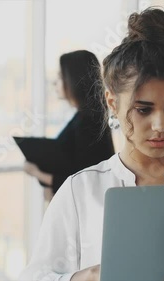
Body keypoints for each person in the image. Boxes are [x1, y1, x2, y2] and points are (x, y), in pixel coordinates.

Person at [19, 7, 164, 281]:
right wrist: (86, 277)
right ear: (112, 103)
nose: (161, 125)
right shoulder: (80, 191)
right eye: (144, 109)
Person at [23, 50, 115, 200]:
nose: (55, 82)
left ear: (73, 79)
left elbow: (85, 180)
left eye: (60, 76)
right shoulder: (85, 118)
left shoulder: (88, 123)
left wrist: (37, 173)